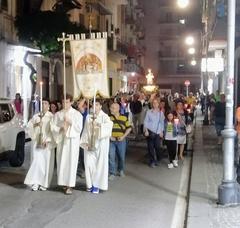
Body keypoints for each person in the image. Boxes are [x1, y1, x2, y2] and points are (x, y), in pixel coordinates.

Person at [51, 94, 83, 195]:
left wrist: (70, 122)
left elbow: (78, 128)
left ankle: (70, 185)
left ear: (71, 102)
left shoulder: (77, 114)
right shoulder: (58, 114)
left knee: (71, 162)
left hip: (72, 142)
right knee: (62, 161)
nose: (65, 104)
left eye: (67, 102)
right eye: (63, 102)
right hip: (62, 141)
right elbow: (52, 126)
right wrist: (60, 128)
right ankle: (63, 183)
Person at [80, 99, 113, 194]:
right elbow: (85, 130)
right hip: (90, 143)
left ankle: (97, 185)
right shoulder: (88, 117)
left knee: (99, 165)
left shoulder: (105, 117)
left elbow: (109, 126)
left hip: (101, 144)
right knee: (89, 164)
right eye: (93, 105)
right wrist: (85, 141)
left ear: (100, 106)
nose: (95, 107)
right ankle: (89, 184)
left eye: (97, 105)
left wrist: (98, 125)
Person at [24, 98, 55, 191]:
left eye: (46, 103)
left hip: (46, 143)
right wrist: (36, 125)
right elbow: (29, 126)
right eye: (42, 103)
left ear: (49, 106)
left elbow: (53, 130)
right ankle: (35, 181)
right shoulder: (36, 116)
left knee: (46, 163)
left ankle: (44, 183)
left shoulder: (51, 116)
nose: (44, 105)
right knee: (36, 162)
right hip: (37, 142)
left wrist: (48, 140)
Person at [109, 103, 132, 180]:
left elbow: (129, 128)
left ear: (118, 109)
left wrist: (123, 136)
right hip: (111, 141)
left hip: (121, 140)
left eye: (113, 108)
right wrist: (110, 136)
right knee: (111, 157)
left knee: (121, 157)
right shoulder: (109, 118)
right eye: (111, 107)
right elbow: (105, 129)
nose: (111, 109)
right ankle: (112, 172)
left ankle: (120, 170)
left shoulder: (124, 118)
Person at [143, 98, 165, 167]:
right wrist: (145, 130)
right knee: (150, 147)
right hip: (150, 132)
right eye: (153, 103)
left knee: (158, 147)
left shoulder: (161, 113)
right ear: (152, 104)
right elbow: (145, 121)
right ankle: (152, 161)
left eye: (156, 103)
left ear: (158, 104)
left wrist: (162, 131)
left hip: (158, 132)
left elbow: (162, 123)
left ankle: (158, 159)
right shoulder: (149, 112)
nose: (155, 104)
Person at [77, 98, 88, 178]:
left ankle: (86, 170)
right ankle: (82, 169)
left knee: (85, 155)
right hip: (79, 136)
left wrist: (85, 97)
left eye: (84, 105)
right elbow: (79, 106)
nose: (81, 106)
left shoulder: (87, 113)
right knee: (81, 155)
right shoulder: (79, 113)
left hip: (86, 137)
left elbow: (80, 106)